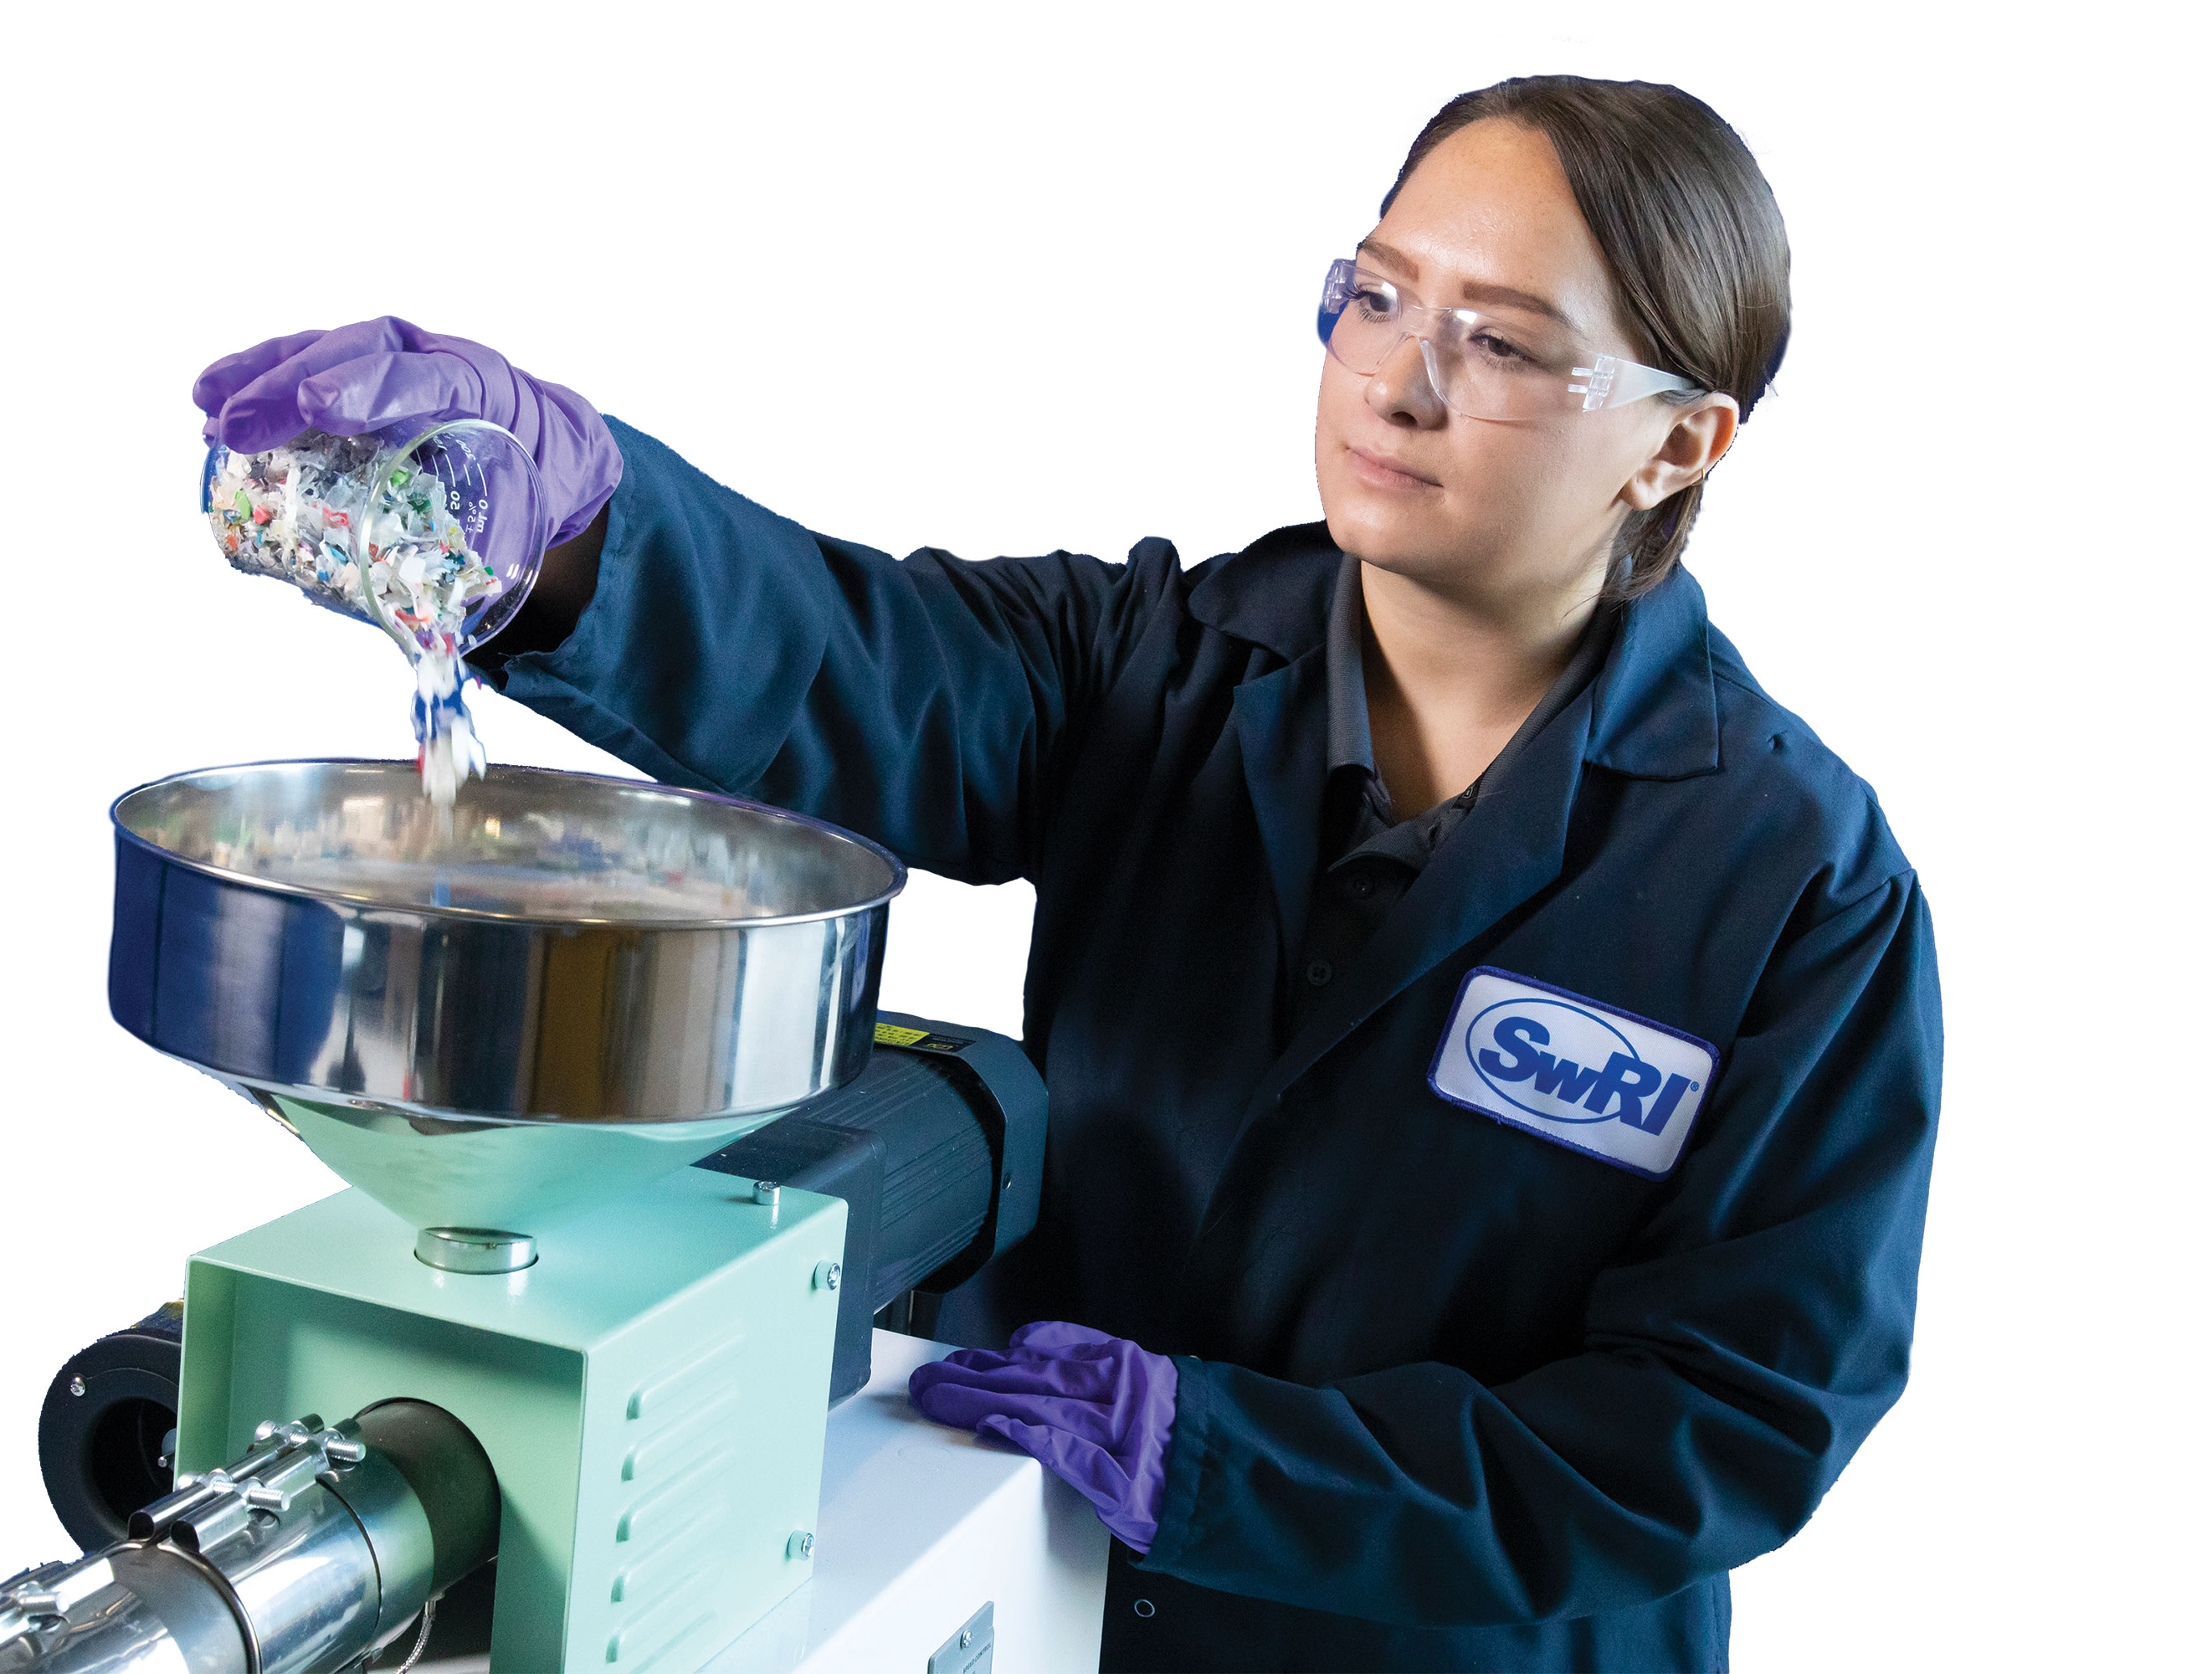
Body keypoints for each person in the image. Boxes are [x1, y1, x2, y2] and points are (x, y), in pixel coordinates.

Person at [193, 74, 1942, 1674]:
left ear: (1681, 441)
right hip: (1036, 1606)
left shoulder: (1792, 884)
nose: (1396, 380)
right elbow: (843, 662)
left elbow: (1728, 1413)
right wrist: (575, 528)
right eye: (1380, 294)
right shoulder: (1150, 671)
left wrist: (1239, 1466)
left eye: (1502, 344)